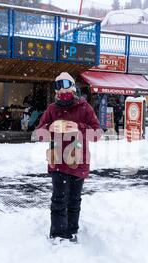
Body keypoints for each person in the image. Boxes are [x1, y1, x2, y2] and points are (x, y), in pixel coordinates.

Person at [35, 72, 102, 244]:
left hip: (78, 161)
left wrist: (78, 127)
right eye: (59, 90)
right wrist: (50, 127)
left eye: (66, 89)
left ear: (73, 89)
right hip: (57, 161)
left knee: (74, 199)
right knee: (59, 199)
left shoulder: (84, 108)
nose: (63, 94)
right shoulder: (52, 109)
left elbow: (97, 133)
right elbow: (39, 134)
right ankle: (58, 235)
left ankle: (72, 231)